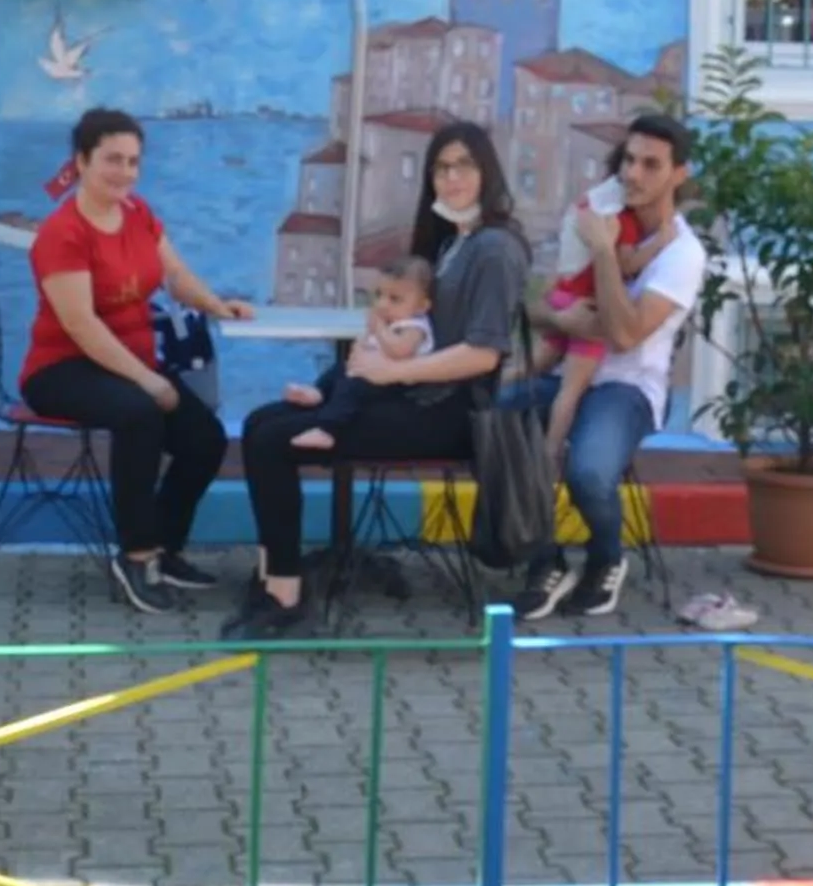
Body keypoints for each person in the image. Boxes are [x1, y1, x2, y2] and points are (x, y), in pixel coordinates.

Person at [226, 122, 529, 640]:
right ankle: (275, 574)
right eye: (441, 168)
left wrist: (393, 370)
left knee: (277, 439)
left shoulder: (495, 249)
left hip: (449, 414)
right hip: (411, 397)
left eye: (464, 166)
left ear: (487, 171)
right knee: (259, 425)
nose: (451, 178)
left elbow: (483, 353)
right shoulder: (452, 243)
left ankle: (287, 597)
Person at [19, 106, 256, 614]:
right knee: (140, 414)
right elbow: (81, 325)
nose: (124, 172)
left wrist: (217, 304)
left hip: (130, 361)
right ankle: (135, 555)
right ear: (81, 161)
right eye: (112, 160)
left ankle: (166, 547)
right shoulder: (63, 233)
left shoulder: (139, 213)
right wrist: (149, 381)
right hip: (62, 368)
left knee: (205, 439)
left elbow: (175, 275)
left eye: (133, 161)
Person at [496, 112, 705, 622]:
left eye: (651, 165)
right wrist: (563, 315)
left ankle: (607, 559)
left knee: (589, 473)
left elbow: (626, 334)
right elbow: (541, 303)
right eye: (629, 160)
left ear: (679, 174)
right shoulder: (604, 212)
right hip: (568, 368)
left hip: (628, 388)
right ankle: (544, 562)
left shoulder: (682, 254)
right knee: (498, 420)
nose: (633, 174)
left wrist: (604, 251)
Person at [532, 157, 678, 411]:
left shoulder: (589, 208)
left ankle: (488, 387)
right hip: (588, 306)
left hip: (564, 294)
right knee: (570, 393)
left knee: (534, 366)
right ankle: (552, 449)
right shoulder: (621, 220)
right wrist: (659, 243)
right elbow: (626, 264)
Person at [286, 256, 436, 451]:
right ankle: (318, 392)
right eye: (378, 295)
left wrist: (380, 329)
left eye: (394, 299)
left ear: (421, 306)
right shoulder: (391, 321)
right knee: (340, 368)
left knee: (352, 388)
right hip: (374, 373)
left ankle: (328, 430)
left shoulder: (414, 326)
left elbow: (401, 351)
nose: (383, 304)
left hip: (397, 385)